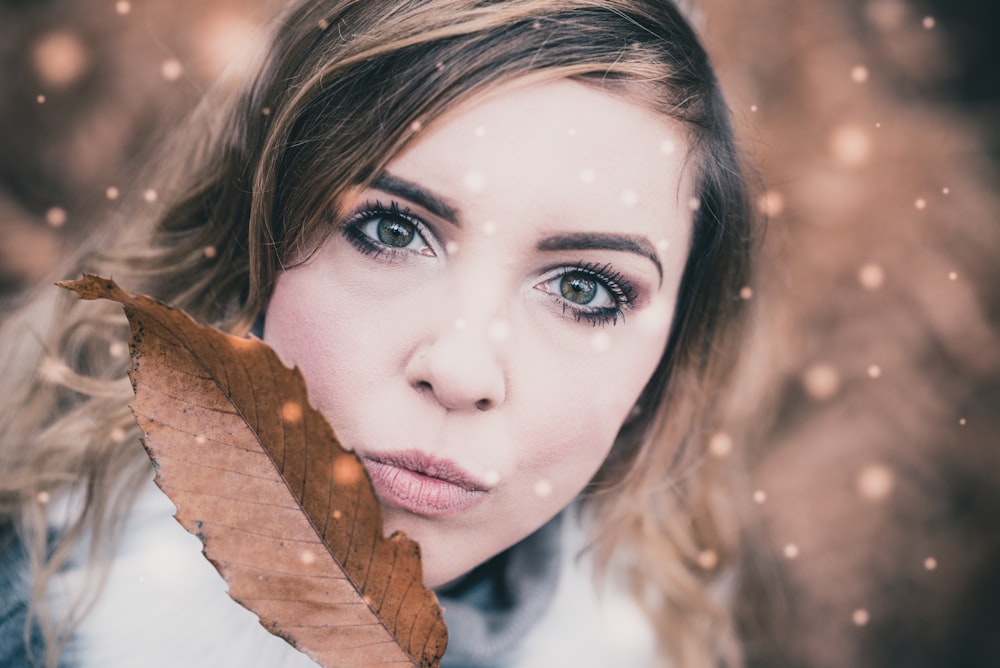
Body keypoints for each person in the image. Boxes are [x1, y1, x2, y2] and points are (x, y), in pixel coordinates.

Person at [0, 0, 756, 666]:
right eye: (392, 230)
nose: (460, 369)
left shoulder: (663, 638)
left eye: (584, 289)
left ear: (664, 363)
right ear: (253, 244)